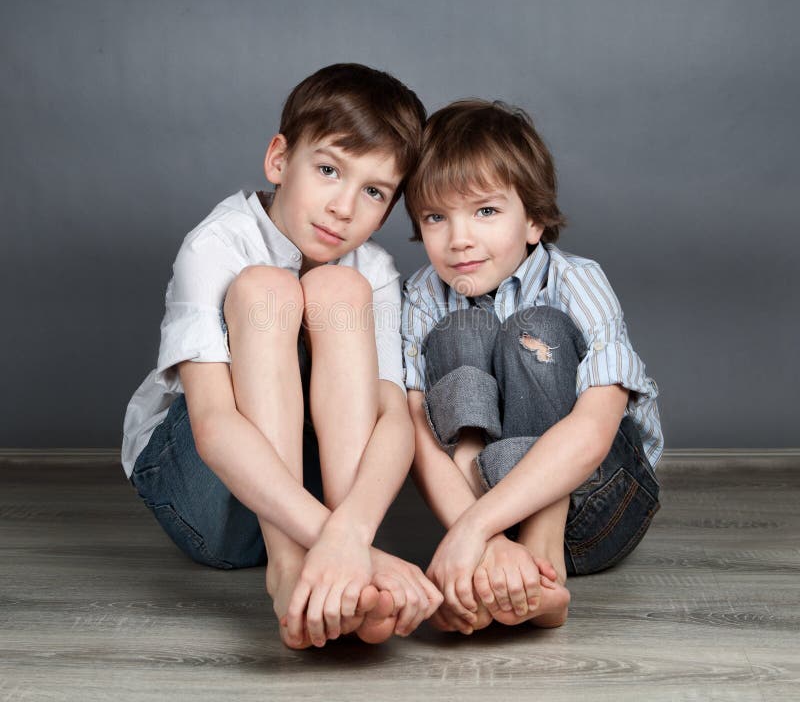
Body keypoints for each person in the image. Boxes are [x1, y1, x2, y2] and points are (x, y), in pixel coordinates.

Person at [122, 63, 442, 650]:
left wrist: (351, 531)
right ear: (278, 160)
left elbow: (394, 419)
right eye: (327, 170)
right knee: (267, 287)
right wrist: (357, 547)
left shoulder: (372, 271)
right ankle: (291, 569)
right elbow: (214, 425)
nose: (344, 207)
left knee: (339, 291)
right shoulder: (218, 243)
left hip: (314, 496)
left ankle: (335, 574)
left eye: (373, 192)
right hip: (206, 492)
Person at [401, 100, 662, 633]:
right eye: (435, 217)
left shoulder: (577, 282)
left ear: (535, 220)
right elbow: (419, 434)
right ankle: (501, 571)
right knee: (460, 333)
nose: (459, 239)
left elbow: (592, 430)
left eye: (486, 212)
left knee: (533, 329)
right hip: (487, 515)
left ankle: (547, 574)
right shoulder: (423, 294)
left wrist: (469, 533)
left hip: (595, 501)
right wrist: (484, 540)